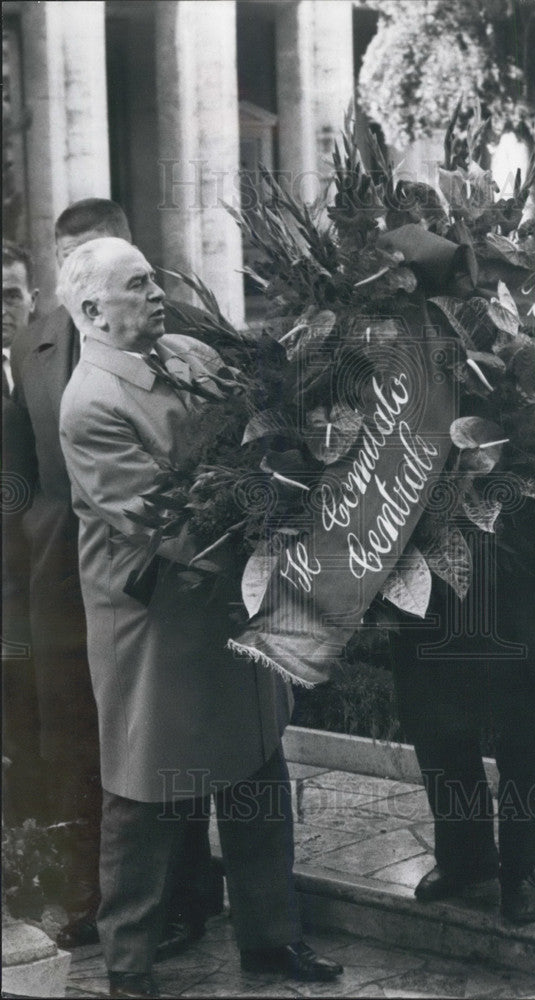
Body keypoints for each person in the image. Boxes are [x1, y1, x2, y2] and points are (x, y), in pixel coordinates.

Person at [57, 237, 342, 998]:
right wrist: (271, 524)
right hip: (155, 621)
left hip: (228, 602)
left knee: (255, 766)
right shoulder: (91, 404)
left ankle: (271, 943)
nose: (157, 294)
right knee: (146, 788)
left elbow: (258, 422)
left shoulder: (183, 351)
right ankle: (128, 965)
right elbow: (163, 521)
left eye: (153, 279)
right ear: (92, 310)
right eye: (138, 285)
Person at [11, 199, 219, 952]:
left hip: (155, 574)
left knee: (163, 737)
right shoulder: (32, 341)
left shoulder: (178, 336)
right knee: (75, 736)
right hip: (63, 575)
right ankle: (88, 897)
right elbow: (18, 466)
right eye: (69, 255)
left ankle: (185, 900)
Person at [390, 515, 535, 923]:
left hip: (528, 574)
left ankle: (519, 873)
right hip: (433, 577)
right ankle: (466, 859)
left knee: (530, 729)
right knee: (437, 723)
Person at [2, 242, 41, 824]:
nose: (1, 308)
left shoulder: (51, 369)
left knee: (42, 740)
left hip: (49, 590)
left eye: (10, 295)